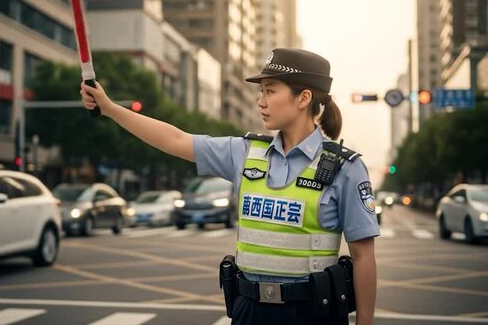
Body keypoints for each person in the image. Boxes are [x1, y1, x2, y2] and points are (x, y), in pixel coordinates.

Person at [80, 48, 378, 325]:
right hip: (248, 310)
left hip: (311, 313)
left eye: (270, 91)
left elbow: (363, 257)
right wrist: (109, 108)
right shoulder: (245, 152)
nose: (260, 101)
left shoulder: (344, 168)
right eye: (261, 92)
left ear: (303, 98)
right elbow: (175, 139)